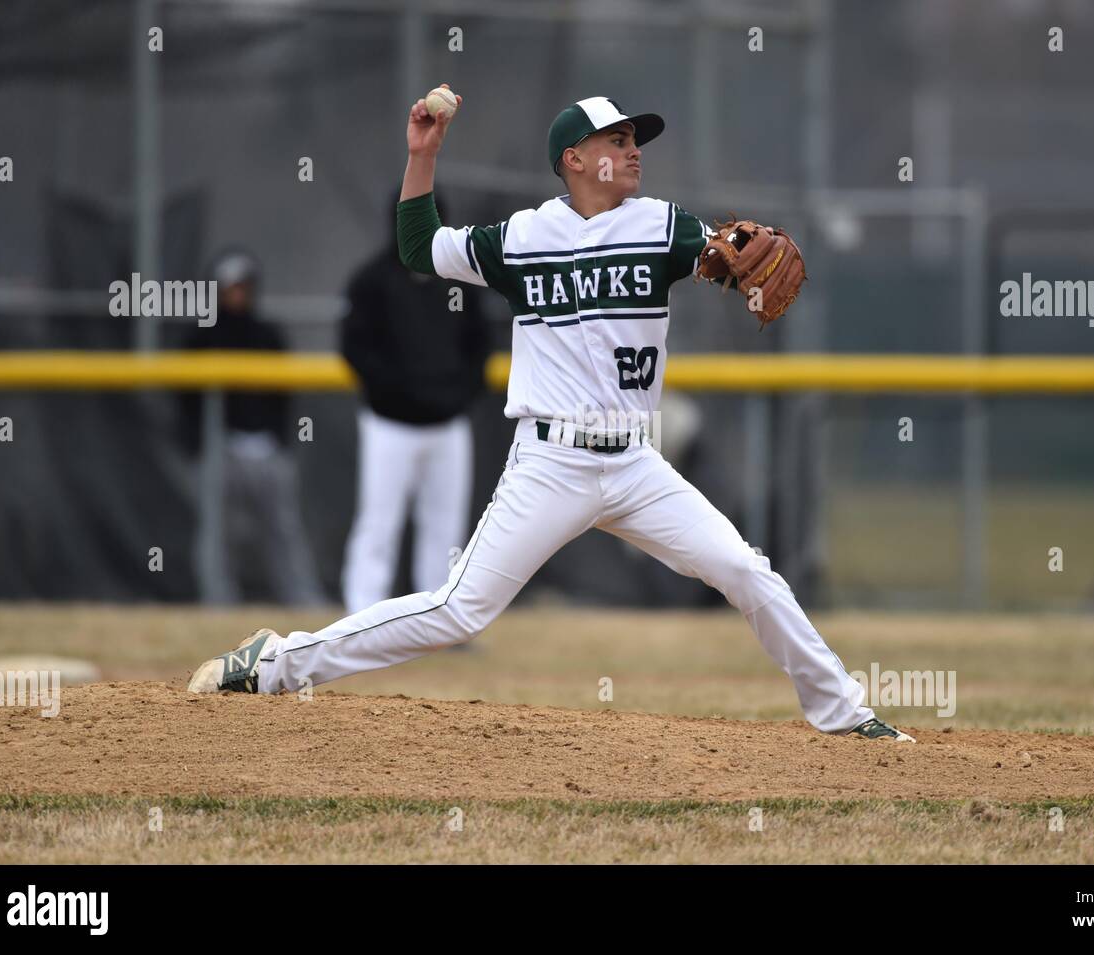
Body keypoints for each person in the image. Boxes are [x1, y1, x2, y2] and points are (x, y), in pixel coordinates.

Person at [190, 91, 913, 742]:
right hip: (550, 461)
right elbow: (418, 246)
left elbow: (727, 257)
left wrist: (737, 260)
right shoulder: (522, 238)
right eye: (616, 139)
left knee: (744, 570)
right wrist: (423, 156)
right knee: (459, 610)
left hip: (634, 463)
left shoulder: (661, 226)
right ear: (574, 158)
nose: (633, 150)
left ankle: (844, 714)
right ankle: (278, 663)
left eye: (636, 140)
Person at [339, 193, 490, 613]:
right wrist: (400, 393)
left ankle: (440, 616)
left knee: (446, 528)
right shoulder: (371, 280)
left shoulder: (461, 281)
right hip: (390, 424)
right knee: (379, 522)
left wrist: (455, 396)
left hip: (447, 424)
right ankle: (361, 612)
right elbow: (355, 350)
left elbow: (480, 348)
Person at [180, 249, 325, 606]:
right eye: (229, 288)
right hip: (221, 449)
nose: (237, 295)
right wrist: (197, 444)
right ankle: (218, 602)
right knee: (216, 534)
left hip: (266, 448)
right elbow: (185, 399)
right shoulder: (201, 337)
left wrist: (279, 438)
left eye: (242, 287)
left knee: (283, 531)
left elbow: (283, 394)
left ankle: (302, 602)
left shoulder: (267, 335)